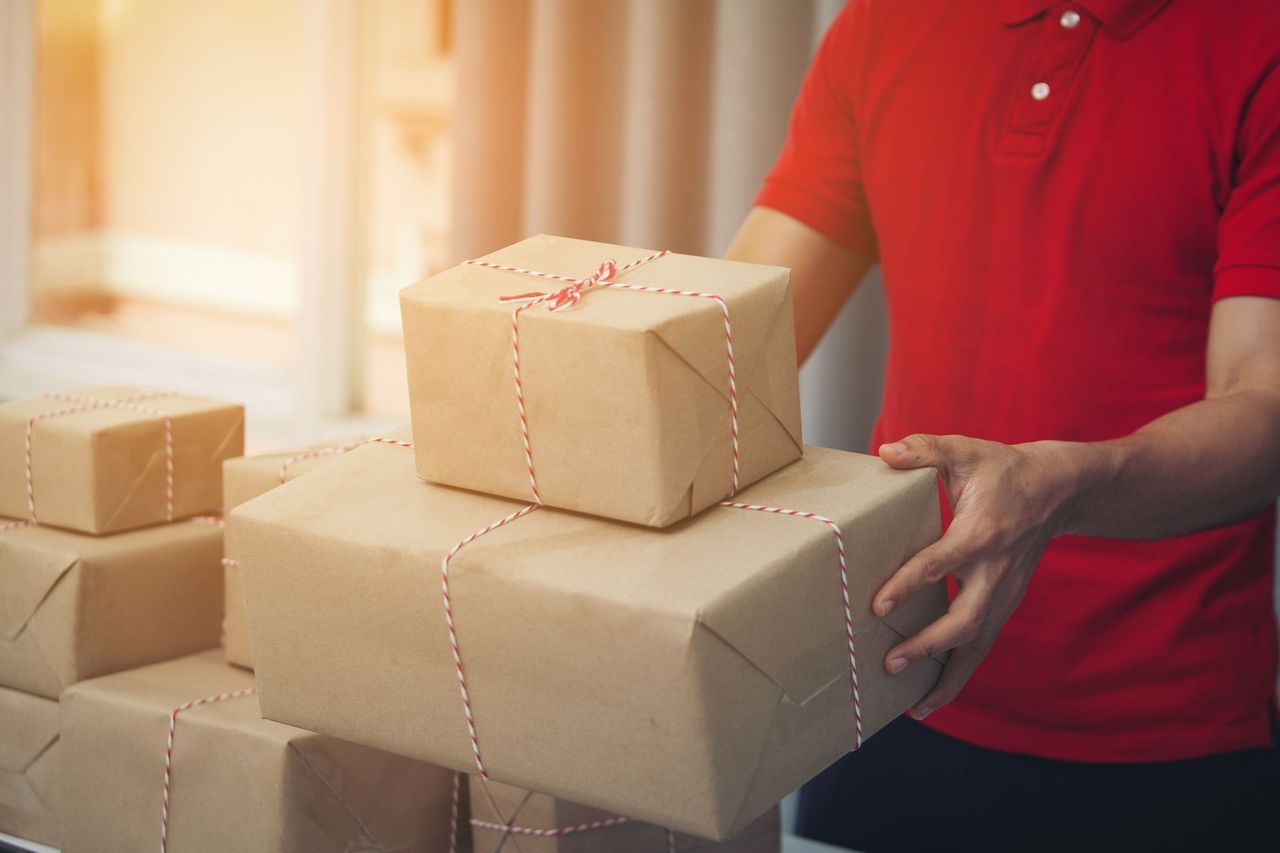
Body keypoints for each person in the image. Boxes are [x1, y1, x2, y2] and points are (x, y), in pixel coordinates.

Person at [725, 1, 1280, 850]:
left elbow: (1265, 410)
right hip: (884, 686)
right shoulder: (886, 22)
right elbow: (734, 346)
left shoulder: (1260, 39)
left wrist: (1065, 485)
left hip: (1158, 738)